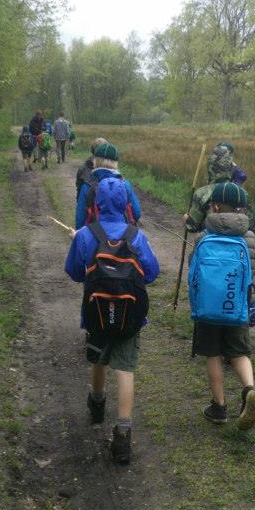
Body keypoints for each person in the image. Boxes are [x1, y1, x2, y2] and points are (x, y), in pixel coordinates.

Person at [65, 177, 159, 463]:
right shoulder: (135, 235)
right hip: (130, 318)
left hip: (95, 315)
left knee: (99, 360)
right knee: (125, 369)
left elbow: (75, 272)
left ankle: (97, 404)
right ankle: (123, 434)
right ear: (125, 204)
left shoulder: (85, 234)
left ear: (95, 203)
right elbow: (152, 273)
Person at [188, 182, 255, 428]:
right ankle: (249, 389)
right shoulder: (249, 236)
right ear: (241, 208)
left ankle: (219, 407)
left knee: (213, 355)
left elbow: (193, 267)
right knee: (239, 353)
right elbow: (253, 268)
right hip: (237, 306)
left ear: (215, 206)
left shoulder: (203, 236)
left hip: (208, 309)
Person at [183, 144, 253, 234]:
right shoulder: (242, 193)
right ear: (230, 167)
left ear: (210, 167)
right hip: (237, 245)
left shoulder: (202, 193)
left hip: (208, 244)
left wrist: (186, 218)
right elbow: (251, 225)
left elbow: (192, 226)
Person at [75, 142, 142, 230]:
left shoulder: (87, 186)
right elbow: (136, 213)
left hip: (94, 237)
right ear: (115, 163)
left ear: (95, 161)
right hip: (122, 238)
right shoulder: (125, 184)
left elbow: (80, 220)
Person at [77, 136, 108, 201]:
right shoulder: (112, 169)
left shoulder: (82, 168)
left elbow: (79, 192)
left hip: (87, 206)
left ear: (92, 150)